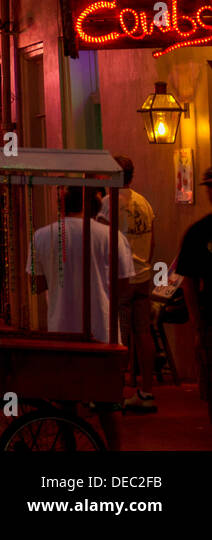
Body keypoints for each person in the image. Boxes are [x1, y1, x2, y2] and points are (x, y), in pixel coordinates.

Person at [30, 186, 134, 343]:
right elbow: (123, 285)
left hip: (61, 330)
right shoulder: (112, 237)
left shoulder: (41, 236)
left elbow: (35, 284)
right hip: (103, 331)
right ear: (93, 204)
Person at [96, 155, 157, 412]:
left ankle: (115, 391)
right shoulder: (144, 203)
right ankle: (147, 392)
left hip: (121, 277)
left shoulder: (108, 203)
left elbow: (100, 239)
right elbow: (152, 241)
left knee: (118, 337)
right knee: (144, 333)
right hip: (143, 275)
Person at [176, 167, 212, 423]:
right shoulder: (199, 233)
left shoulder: (199, 232)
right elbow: (188, 281)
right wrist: (198, 326)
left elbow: (189, 283)